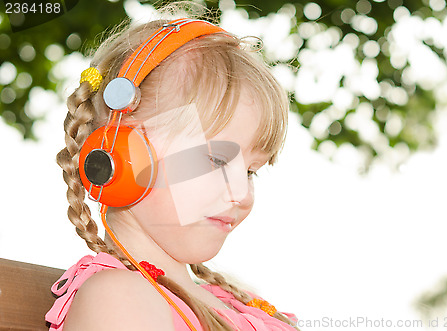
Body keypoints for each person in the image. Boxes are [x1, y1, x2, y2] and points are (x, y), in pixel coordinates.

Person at [45, 4, 298, 331]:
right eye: (216, 160)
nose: (242, 194)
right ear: (120, 155)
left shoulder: (238, 302)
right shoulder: (120, 301)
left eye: (251, 171)